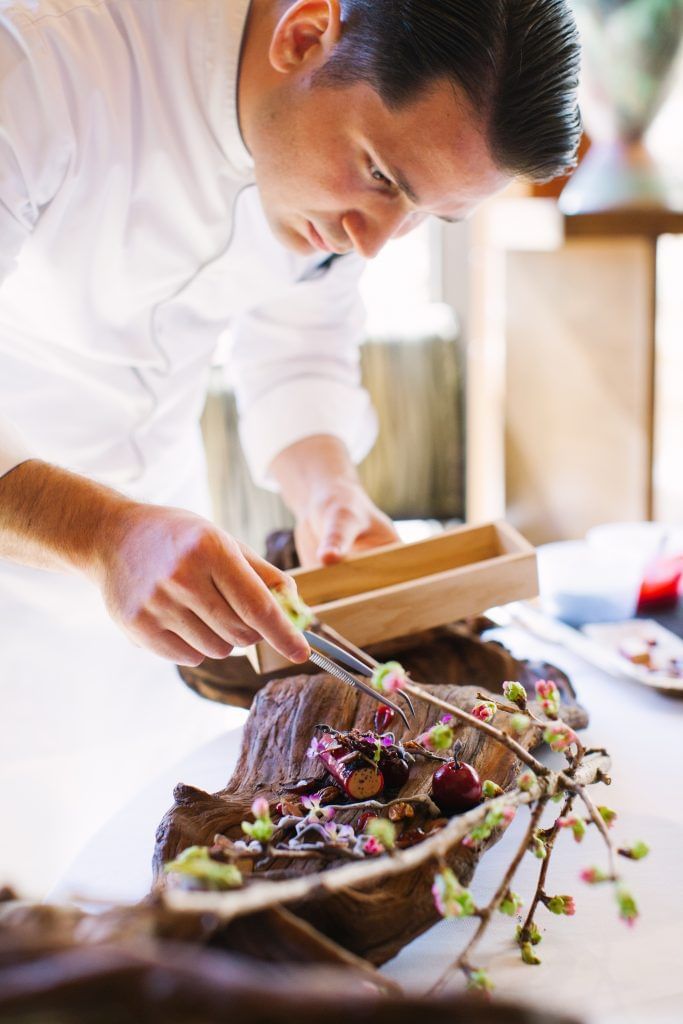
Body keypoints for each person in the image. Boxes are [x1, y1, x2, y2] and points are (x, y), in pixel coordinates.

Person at [0, 0, 581, 894]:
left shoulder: (325, 169)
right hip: (37, 551)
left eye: (427, 214)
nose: (376, 244)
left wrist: (326, 491)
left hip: (156, 593)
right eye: (384, 176)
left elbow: (299, 343)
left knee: (134, 901)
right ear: (306, 34)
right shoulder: (39, 60)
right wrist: (101, 534)